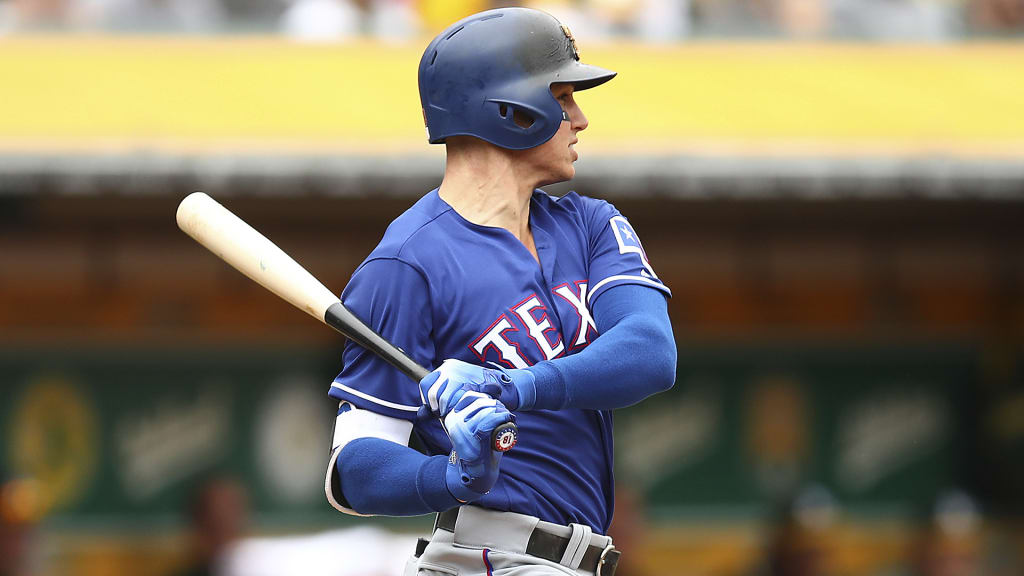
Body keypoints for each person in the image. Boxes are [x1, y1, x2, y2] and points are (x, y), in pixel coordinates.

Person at [323, 7, 676, 576]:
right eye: (563, 99)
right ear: (512, 111)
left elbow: (650, 352)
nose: (580, 120)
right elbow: (354, 469)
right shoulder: (405, 265)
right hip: (484, 557)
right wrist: (452, 476)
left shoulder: (591, 225)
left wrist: (509, 386)